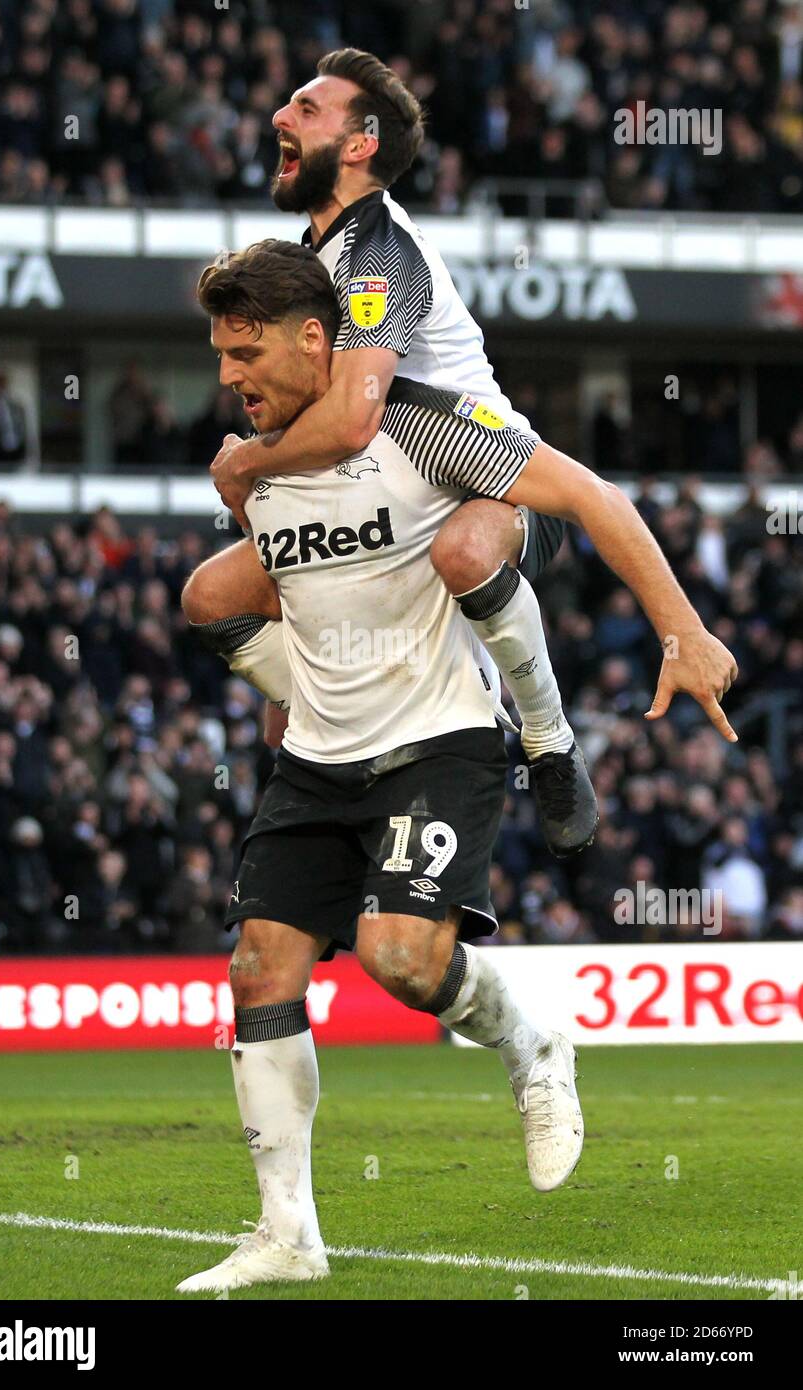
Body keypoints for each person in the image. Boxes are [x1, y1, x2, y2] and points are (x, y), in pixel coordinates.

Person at [175, 241, 738, 1293]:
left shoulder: (417, 423)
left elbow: (589, 496)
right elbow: (295, 590)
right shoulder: (248, 466)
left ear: (314, 339)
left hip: (438, 740)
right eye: (218, 355)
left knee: (399, 960)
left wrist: (682, 629)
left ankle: (533, 1046)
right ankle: (288, 1235)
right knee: (258, 971)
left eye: (243, 351)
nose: (228, 376)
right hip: (315, 758)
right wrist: (295, 694)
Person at [186, 48, 598, 861]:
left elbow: (346, 421)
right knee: (211, 597)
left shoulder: (378, 250)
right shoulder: (306, 262)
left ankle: (546, 740)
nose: (279, 116)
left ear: (361, 141)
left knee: (467, 547)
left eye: (306, 108)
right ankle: (340, 719)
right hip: (386, 491)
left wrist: (250, 462)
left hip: (486, 472)